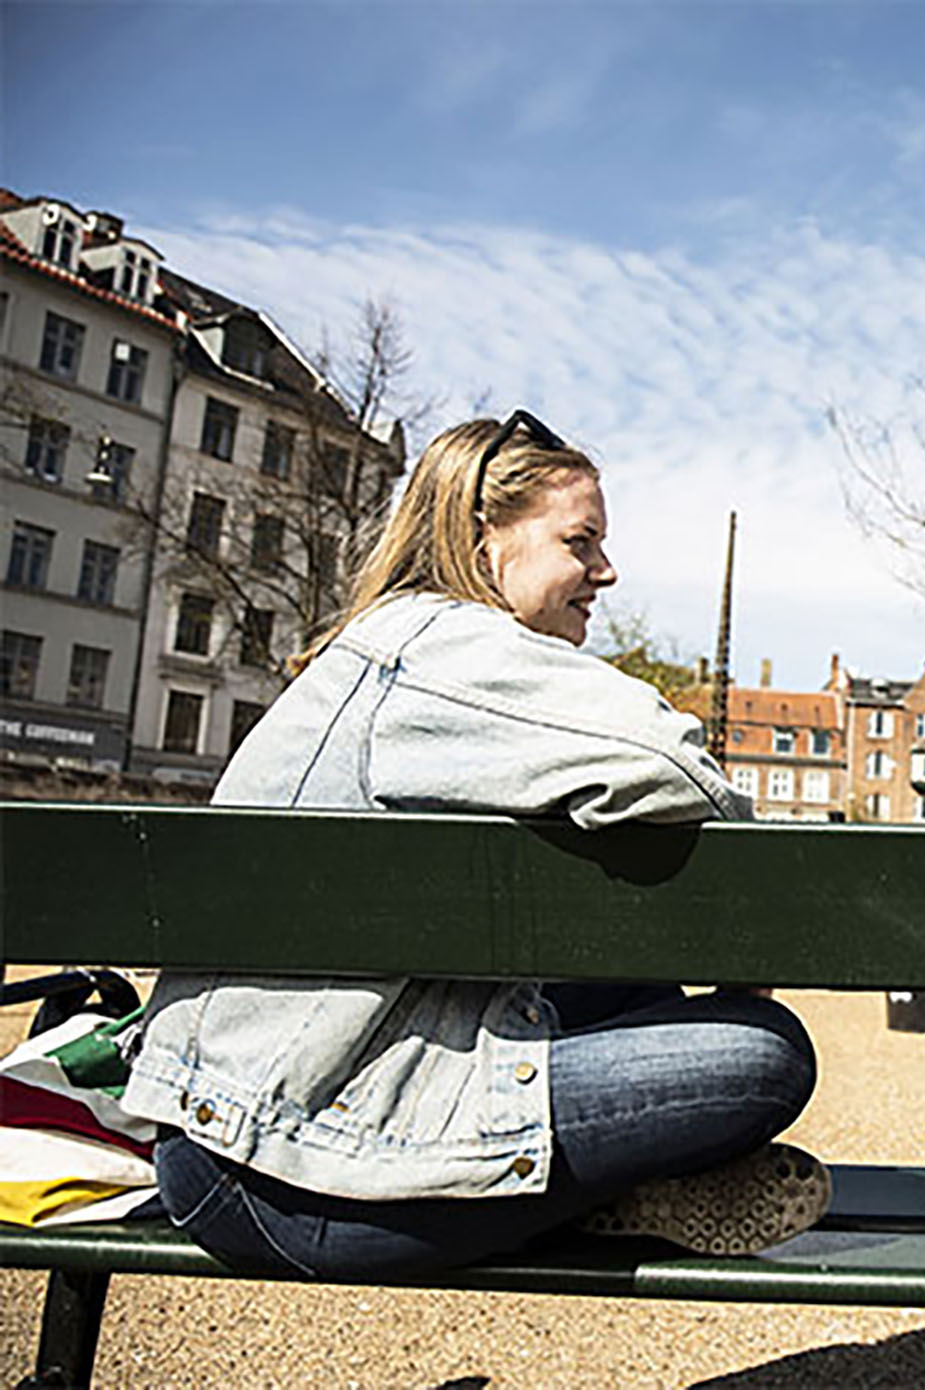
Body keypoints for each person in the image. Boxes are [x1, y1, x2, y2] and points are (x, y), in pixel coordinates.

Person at [120, 413, 829, 1280]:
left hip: (234, 1125)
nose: (605, 571)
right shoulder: (442, 649)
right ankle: (616, 1191)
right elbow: (678, 769)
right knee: (762, 1054)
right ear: (484, 541)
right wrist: (747, 939)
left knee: (638, 986)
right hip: (279, 1174)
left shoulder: (396, 646)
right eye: (581, 541)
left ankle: (607, 1192)